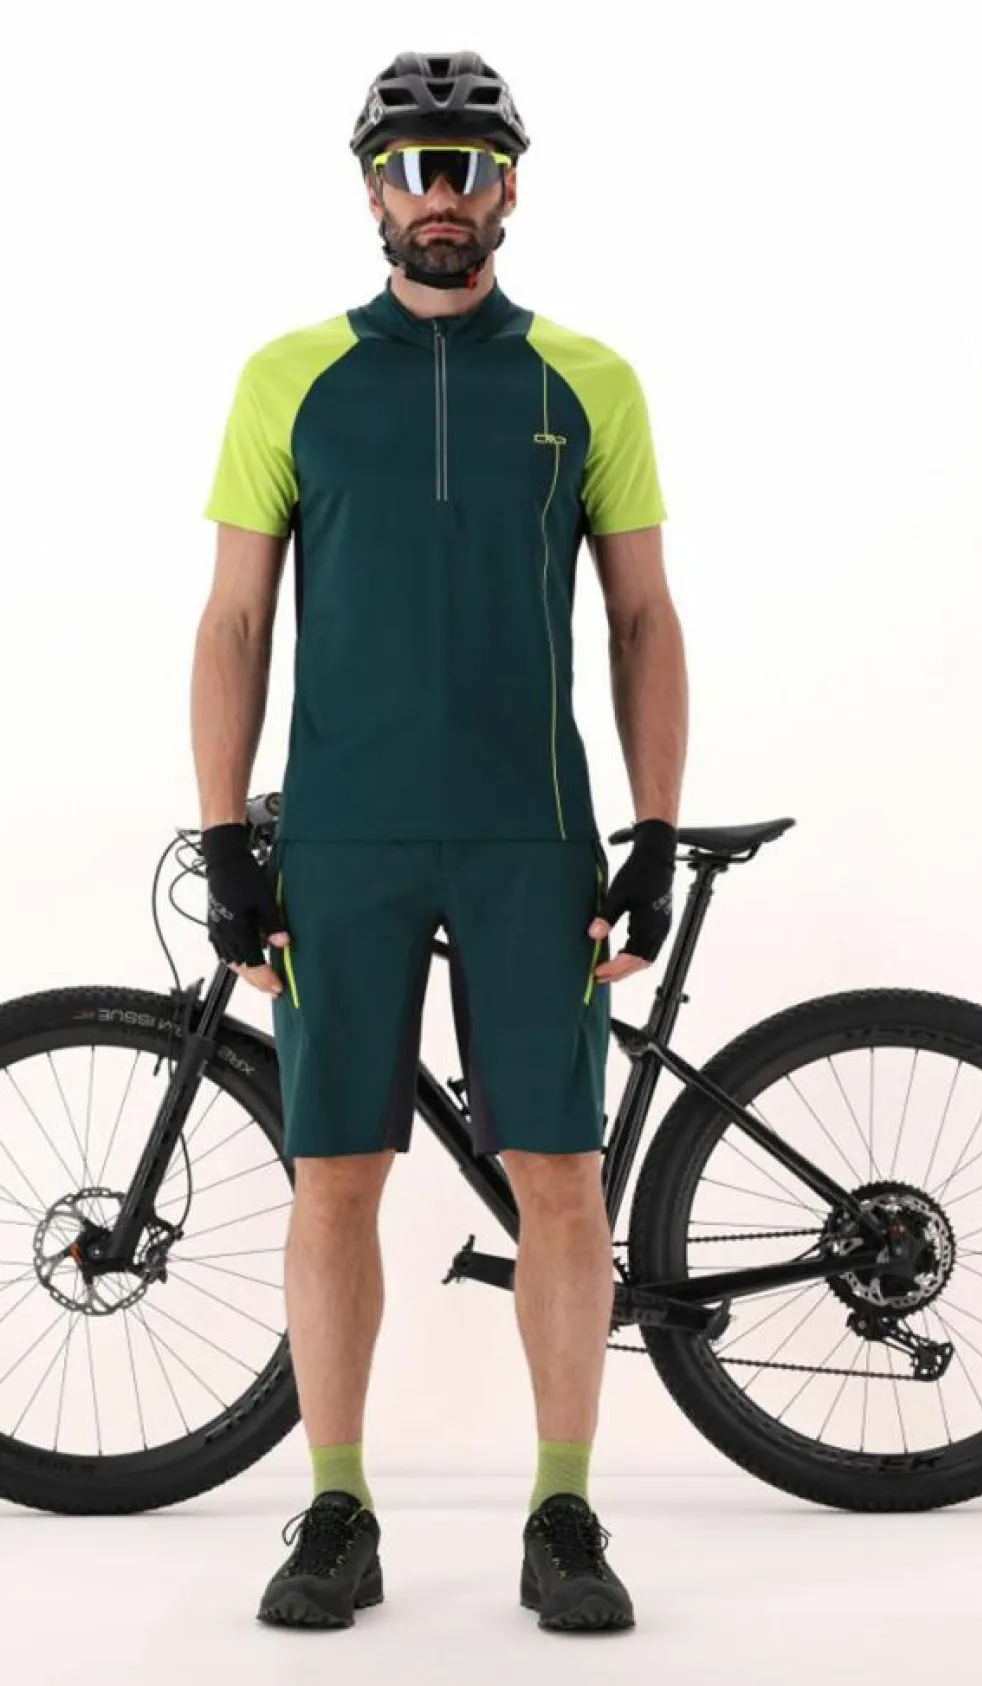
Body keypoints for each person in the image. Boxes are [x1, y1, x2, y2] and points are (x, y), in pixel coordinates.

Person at [191, 49, 688, 1635]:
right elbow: (236, 616)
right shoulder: (289, 379)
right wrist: (225, 837)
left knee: (561, 1174)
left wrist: (655, 828)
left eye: (467, 167)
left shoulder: (589, 382)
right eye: (412, 167)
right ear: (372, 191)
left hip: (532, 834)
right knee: (334, 1173)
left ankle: (564, 1510)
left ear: (509, 187)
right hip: (343, 835)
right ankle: (339, 1506)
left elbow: (642, 616)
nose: (441, 196)